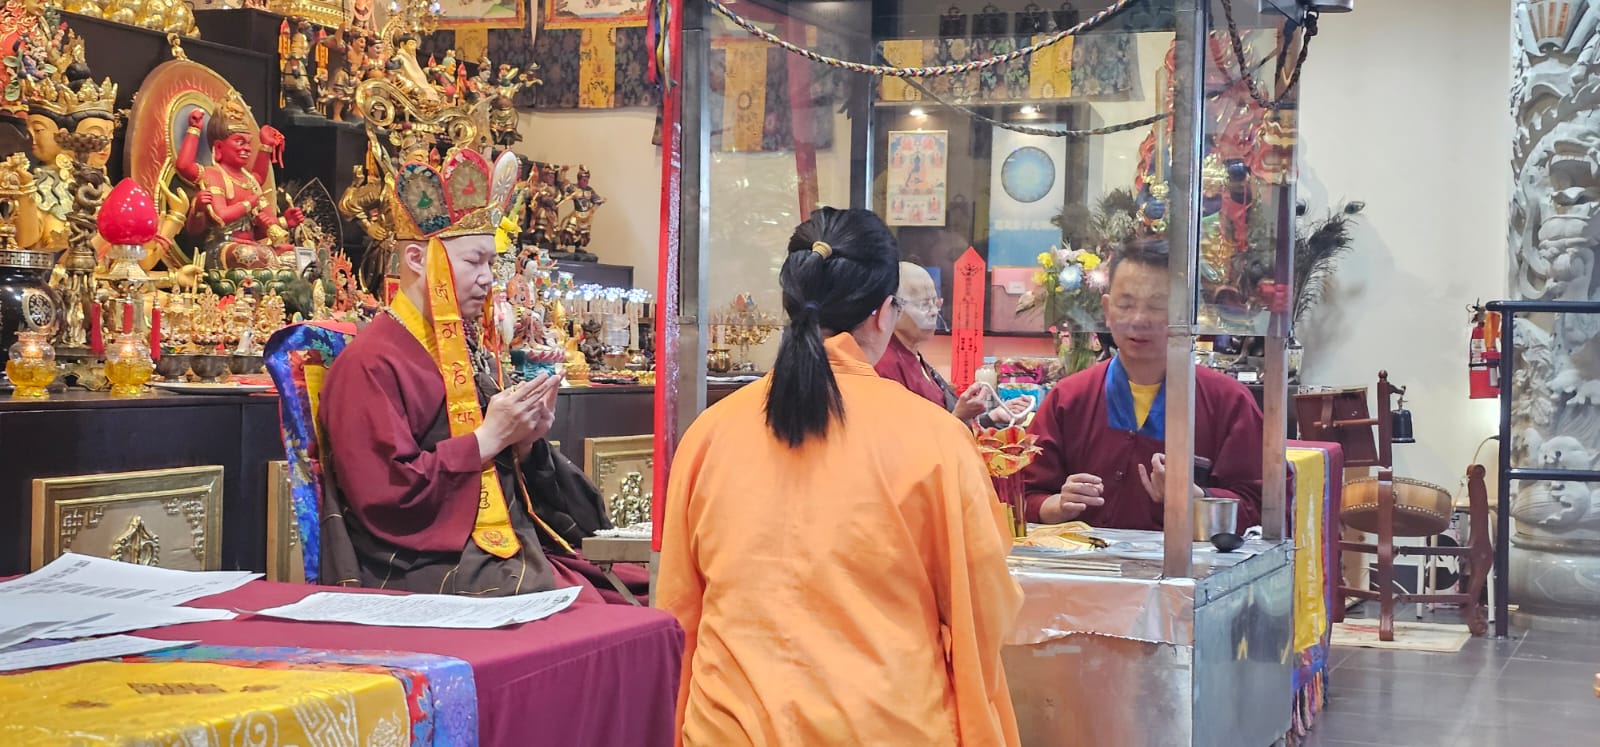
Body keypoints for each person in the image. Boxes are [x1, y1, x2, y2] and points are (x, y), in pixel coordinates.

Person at [658, 208, 1023, 746]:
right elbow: (983, 610)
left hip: (728, 727)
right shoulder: (935, 439)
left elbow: (679, 610)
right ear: (884, 313)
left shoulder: (710, 433)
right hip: (883, 725)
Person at [318, 151, 638, 601]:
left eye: (492, 263)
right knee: (608, 613)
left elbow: (514, 481)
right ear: (417, 258)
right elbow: (386, 498)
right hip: (428, 565)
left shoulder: (464, 348)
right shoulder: (370, 362)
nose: (488, 279)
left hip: (502, 549)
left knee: (643, 592)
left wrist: (524, 443)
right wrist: (488, 439)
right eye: (474, 262)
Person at [1020, 236, 1263, 530]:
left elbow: (1265, 507)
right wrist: (1056, 506)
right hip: (1089, 559)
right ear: (1107, 311)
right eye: (1125, 304)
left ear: (1188, 313)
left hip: (1188, 559)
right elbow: (1020, 496)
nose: (1138, 319)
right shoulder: (1069, 398)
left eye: (1157, 306)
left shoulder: (1228, 402)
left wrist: (1198, 499)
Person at [876, 262, 1031, 427]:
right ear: (892, 307)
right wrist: (959, 416)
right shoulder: (884, 365)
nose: (934, 312)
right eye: (924, 305)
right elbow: (905, 435)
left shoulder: (912, 356)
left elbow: (941, 417)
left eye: (935, 303)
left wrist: (992, 417)